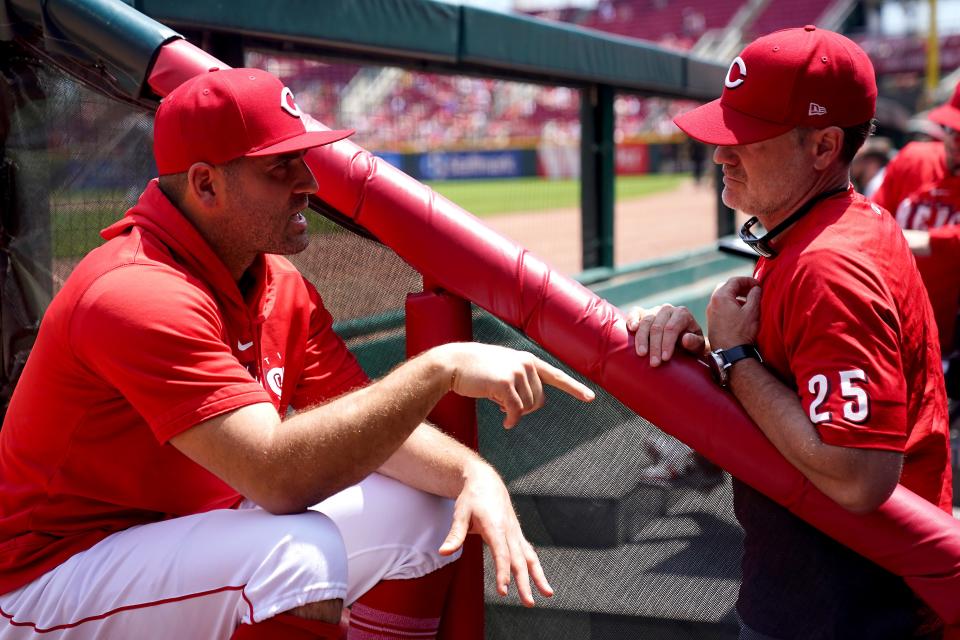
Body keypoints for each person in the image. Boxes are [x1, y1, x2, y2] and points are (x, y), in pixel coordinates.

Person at [0, 68, 596, 639]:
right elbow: (279, 476)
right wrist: (440, 368)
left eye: (303, 159)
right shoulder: (135, 290)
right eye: (280, 167)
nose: (308, 182)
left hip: (179, 546)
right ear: (206, 184)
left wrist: (473, 473)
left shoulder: (275, 281)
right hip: (48, 580)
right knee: (296, 558)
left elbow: (363, 421)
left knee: (425, 510)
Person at [627, 27, 951, 639]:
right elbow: (796, 400)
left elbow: (860, 476)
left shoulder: (829, 265)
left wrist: (737, 357)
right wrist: (708, 359)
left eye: (745, 137)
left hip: (851, 608)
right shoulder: (827, 224)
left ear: (825, 146)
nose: (721, 154)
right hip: (838, 593)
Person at [872, 85, 960, 377]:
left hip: (944, 344)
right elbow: (871, 220)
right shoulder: (914, 159)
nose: (956, 143)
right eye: (953, 132)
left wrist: (922, 239)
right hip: (885, 324)